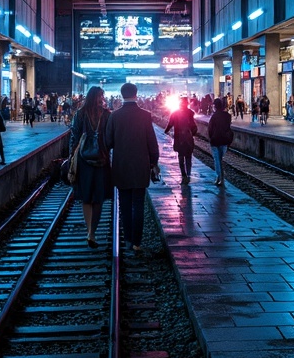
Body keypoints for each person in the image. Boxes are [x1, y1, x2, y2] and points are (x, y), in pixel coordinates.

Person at [103, 82, 159, 254]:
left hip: (121, 166)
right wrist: (153, 162)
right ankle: (136, 242)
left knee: (125, 205)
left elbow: (108, 142)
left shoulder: (114, 116)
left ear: (121, 95)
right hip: (141, 166)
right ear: (136, 94)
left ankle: (127, 239)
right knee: (138, 204)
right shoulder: (145, 115)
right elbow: (152, 142)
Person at [68, 86, 112, 245]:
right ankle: (93, 231)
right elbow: (110, 139)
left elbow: (73, 138)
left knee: (86, 197)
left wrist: (71, 158)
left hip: (83, 160)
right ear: (99, 97)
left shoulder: (79, 114)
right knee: (98, 198)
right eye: (102, 96)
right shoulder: (107, 115)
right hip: (102, 160)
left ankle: (89, 232)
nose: (102, 99)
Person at [164, 96, 198, 186]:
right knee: (188, 157)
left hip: (179, 138)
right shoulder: (190, 113)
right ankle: (188, 175)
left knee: (180, 157)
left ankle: (184, 175)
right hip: (188, 138)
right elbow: (194, 126)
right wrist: (192, 134)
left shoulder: (175, 113)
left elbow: (170, 124)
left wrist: (166, 131)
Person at [207, 96, 232, 185]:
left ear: (215, 106)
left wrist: (211, 138)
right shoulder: (228, 116)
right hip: (225, 140)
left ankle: (219, 177)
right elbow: (228, 128)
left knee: (217, 159)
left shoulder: (214, 116)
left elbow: (210, 129)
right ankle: (221, 176)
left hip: (215, 141)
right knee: (220, 159)